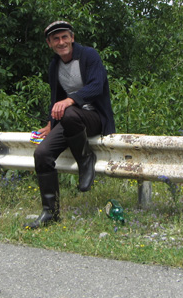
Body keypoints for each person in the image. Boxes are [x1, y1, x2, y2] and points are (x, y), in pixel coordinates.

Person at [25, 21, 115, 229]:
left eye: (65, 37)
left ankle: (85, 160)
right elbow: (56, 98)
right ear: (49, 43)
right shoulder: (54, 65)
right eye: (55, 39)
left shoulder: (89, 55)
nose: (61, 42)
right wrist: (51, 124)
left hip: (94, 118)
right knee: (42, 154)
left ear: (72, 38)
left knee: (69, 112)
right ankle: (50, 212)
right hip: (70, 119)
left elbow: (97, 86)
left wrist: (70, 100)